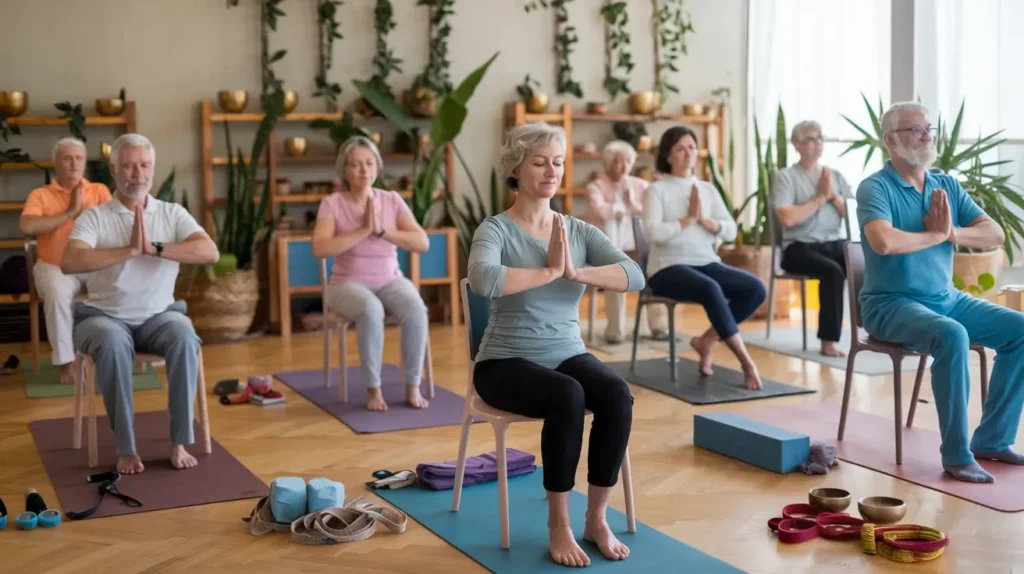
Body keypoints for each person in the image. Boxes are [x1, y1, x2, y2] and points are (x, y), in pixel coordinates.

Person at [468, 122, 644, 567]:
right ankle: (558, 524)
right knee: (567, 395)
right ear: (517, 167)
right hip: (503, 363)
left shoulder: (578, 232)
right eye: (540, 161)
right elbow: (484, 279)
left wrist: (578, 272)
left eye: (559, 162)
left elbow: (634, 276)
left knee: (615, 393)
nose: (551, 171)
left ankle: (596, 519)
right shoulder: (495, 230)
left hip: (566, 352)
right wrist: (547, 272)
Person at [857, 101, 1024, 484]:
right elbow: (883, 242)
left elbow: (994, 234)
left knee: (1020, 329)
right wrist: (933, 235)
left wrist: (950, 233)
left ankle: (993, 440)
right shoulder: (875, 187)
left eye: (928, 128)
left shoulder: (945, 185)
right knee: (952, 335)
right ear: (890, 141)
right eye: (914, 130)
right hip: (889, 305)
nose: (926, 136)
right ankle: (956, 456)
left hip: (946, 299)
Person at [60, 134, 220, 475]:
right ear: (114, 169)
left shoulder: (172, 213)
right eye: (129, 165)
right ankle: (126, 448)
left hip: (159, 317)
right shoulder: (95, 217)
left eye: (144, 165)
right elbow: (70, 261)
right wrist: (129, 251)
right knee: (114, 343)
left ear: (152, 169)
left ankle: (178, 441)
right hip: (103, 317)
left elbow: (209, 252)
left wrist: (154, 248)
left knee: (184, 335)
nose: (137, 173)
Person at [311, 136, 431, 412]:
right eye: (355, 165)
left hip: (390, 279)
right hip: (345, 285)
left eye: (369, 163)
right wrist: (363, 230)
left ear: (377, 166)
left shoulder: (391, 200)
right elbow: (320, 248)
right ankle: (373, 389)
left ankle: (412, 385)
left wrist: (382, 231)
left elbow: (421, 242)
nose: (363, 170)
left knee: (415, 308)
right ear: (345, 170)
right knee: (370, 309)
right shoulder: (332, 203)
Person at [642, 126, 766, 390]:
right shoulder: (657, 190)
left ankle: (707, 340)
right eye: (680, 148)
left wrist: (708, 223)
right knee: (711, 289)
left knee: (755, 288)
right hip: (666, 268)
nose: (688, 153)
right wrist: (687, 220)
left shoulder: (707, 189)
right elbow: (652, 233)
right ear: (667, 155)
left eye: (691, 147)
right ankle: (745, 362)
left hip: (706, 262)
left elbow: (732, 229)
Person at [18, 138, 112, 383]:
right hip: (54, 266)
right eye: (67, 158)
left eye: (79, 158)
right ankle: (66, 364)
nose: (74, 163)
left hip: (92, 265)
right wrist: (70, 212)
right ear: (56, 163)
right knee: (57, 292)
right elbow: (27, 226)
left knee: (123, 282)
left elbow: (116, 226)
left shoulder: (100, 191)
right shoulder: (40, 195)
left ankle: (114, 354)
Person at [774, 120, 853, 357]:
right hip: (798, 247)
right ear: (797, 144)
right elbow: (787, 218)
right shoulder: (786, 177)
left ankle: (878, 330)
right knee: (833, 272)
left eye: (820, 138)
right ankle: (828, 342)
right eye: (811, 139)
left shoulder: (835, 176)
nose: (818, 143)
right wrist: (819, 198)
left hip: (834, 242)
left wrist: (834, 197)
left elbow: (854, 214)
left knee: (866, 261)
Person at [583, 140, 654, 344]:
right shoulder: (595, 186)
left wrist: (633, 204)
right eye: (617, 162)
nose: (622, 167)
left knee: (656, 269)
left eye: (627, 161)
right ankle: (615, 331)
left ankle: (659, 326)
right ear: (606, 164)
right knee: (616, 276)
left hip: (637, 246)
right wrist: (622, 208)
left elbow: (651, 210)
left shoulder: (640, 185)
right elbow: (601, 211)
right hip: (606, 249)